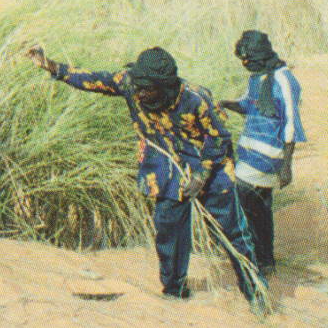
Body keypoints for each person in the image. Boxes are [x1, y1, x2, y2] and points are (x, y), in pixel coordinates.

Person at [26, 44, 265, 306]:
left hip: (210, 166)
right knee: (168, 230)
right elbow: (92, 80)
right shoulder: (130, 83)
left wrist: (201, 175)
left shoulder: (196, 99)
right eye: (136, 87)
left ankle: (256, 293)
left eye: (145, 89)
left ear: (165, 86)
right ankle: (175, 293)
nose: (137, 94)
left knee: (232, 233)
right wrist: (49, 65)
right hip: (166, 167)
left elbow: (219, 137)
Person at [217, 30, 304, 278]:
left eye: (248, 59)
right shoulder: (258, 77)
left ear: (260, 55)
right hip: (247, 152)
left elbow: (291, 124)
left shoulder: (285, 80)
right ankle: (266, 262)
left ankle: (250, 262)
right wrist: (226, 104)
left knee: (242, 206)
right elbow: (247, 105)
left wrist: (287, 166)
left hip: (267, 158)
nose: (245, 65)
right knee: (260, 211)